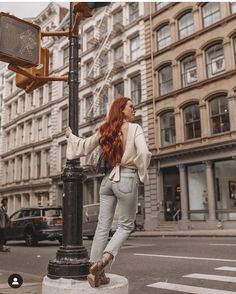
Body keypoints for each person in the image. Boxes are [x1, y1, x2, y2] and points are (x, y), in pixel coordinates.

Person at [66, 97, 152, 288]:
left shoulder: (105, 129)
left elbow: (84, 145)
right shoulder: (135, 128)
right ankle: (104, 259)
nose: (134, 110)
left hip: (107, 181)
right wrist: (141, 171)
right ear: (121, 109)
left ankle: (97, 273)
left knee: (102, 226)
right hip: (126, 178)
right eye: (132, 107)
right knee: (126, 225)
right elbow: (144, 153)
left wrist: (71, 137)